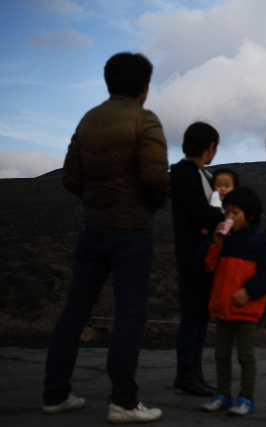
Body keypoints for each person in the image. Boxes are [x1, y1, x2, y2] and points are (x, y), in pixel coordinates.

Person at [42, 52, 169, 424]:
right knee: (130, 313)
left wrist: (97, 201)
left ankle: (54, 394)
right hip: (131, 232)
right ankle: (124, 402)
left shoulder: (88, 120)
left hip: (92, 228)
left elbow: (69, 177)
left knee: (74, 311)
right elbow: (156, 178)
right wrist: (150, 205)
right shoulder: (145, 120)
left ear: (107, 82)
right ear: (145, 88)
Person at [200, 187, 266, 416]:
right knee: (221, 354)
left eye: (235, 213)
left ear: (251, 215)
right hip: (222, 307)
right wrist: (215, 242)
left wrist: (249, 290)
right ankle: (223, 395)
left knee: (245, 355)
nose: (229, 217)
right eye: (226, 212)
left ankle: (246, 398)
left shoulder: (261, 241)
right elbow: (208, 267)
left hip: (245, 309)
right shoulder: (224, 239)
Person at [170, 122, 226, 396]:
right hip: (193, 253)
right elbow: (200, 212)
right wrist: (221, 222)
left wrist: (214, 223)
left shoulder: (204, 175)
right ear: (210, 147)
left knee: (202, 313)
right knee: (193, 314)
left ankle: (195, 372)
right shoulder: (183, 173)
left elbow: (208, 212)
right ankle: (185, 373)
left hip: (206, 251)